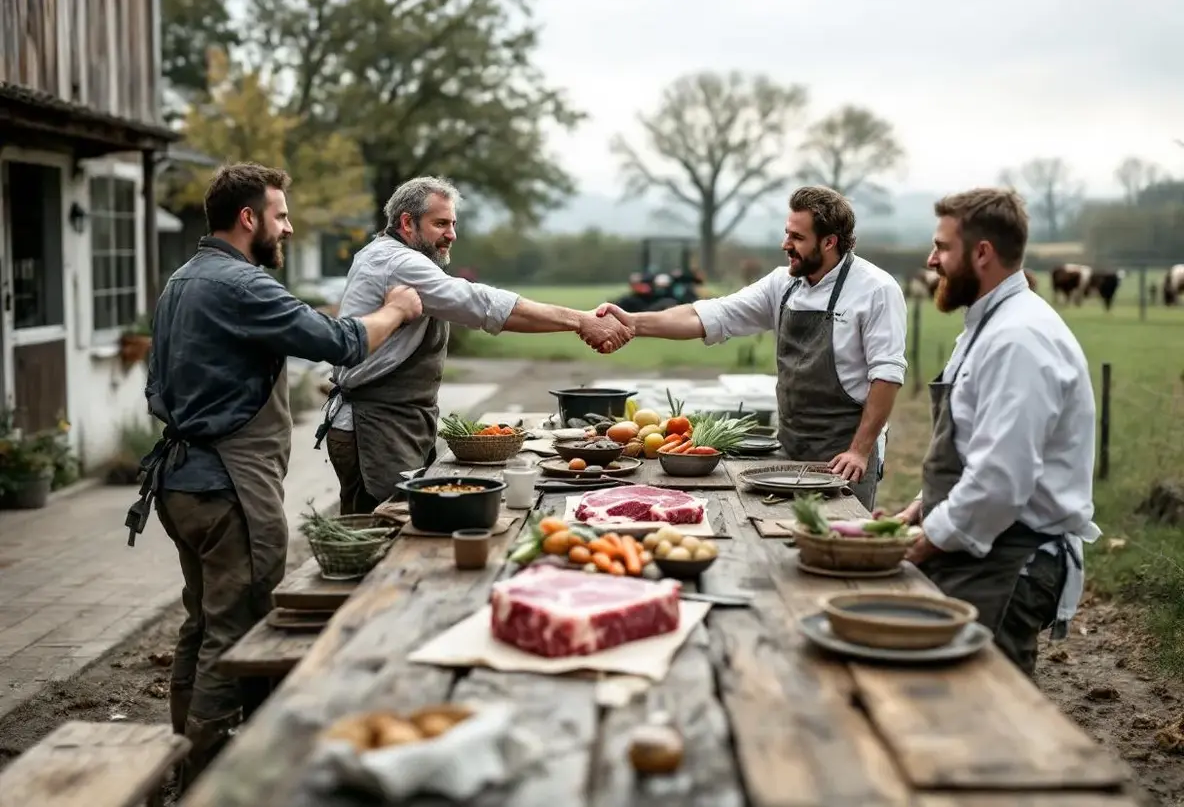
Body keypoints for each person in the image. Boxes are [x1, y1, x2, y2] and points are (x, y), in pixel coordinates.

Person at [126, 162, 421, 787]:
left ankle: (181, 761)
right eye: (281, 216)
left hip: (181, 484)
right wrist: (395, 309)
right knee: (236, 636)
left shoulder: (183, 278)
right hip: (227, 485)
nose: (288, 229)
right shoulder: (243, 285)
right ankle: (211, 781)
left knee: (202, 623)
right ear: (249, 218)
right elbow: (340, 341)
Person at [317, 176, 631, 515]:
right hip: (374, 427)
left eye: (453, 223)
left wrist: (577, 321)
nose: (451, 234)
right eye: (440, 223)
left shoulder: (389, 254)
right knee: (386, 526)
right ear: (407, 223)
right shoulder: (399, 263)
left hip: (394, 423)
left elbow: (487, 310)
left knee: (395, 521)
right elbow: (481, 304)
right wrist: (580, 320)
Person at [594, 186, 908, 511]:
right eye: (787, 234)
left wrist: (859, 450)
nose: (786, 245)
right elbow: (707, 315)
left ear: (829, 242)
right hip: (789, 444)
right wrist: (632, 322)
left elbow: (886, 376)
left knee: (841, 547)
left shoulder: (877, 290)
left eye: (797, 238)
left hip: (846, 454)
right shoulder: (782, 284)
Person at [894, 187, 1100, 677]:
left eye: (942, 247)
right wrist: (923, 509)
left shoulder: (1018, 340)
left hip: (1012, 557)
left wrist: (925, 541)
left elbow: (1001, 480)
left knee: (985, 705)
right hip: (982, 539)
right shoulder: (987, 326)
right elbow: (976, 445)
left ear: (981, 252)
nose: (931, 260)